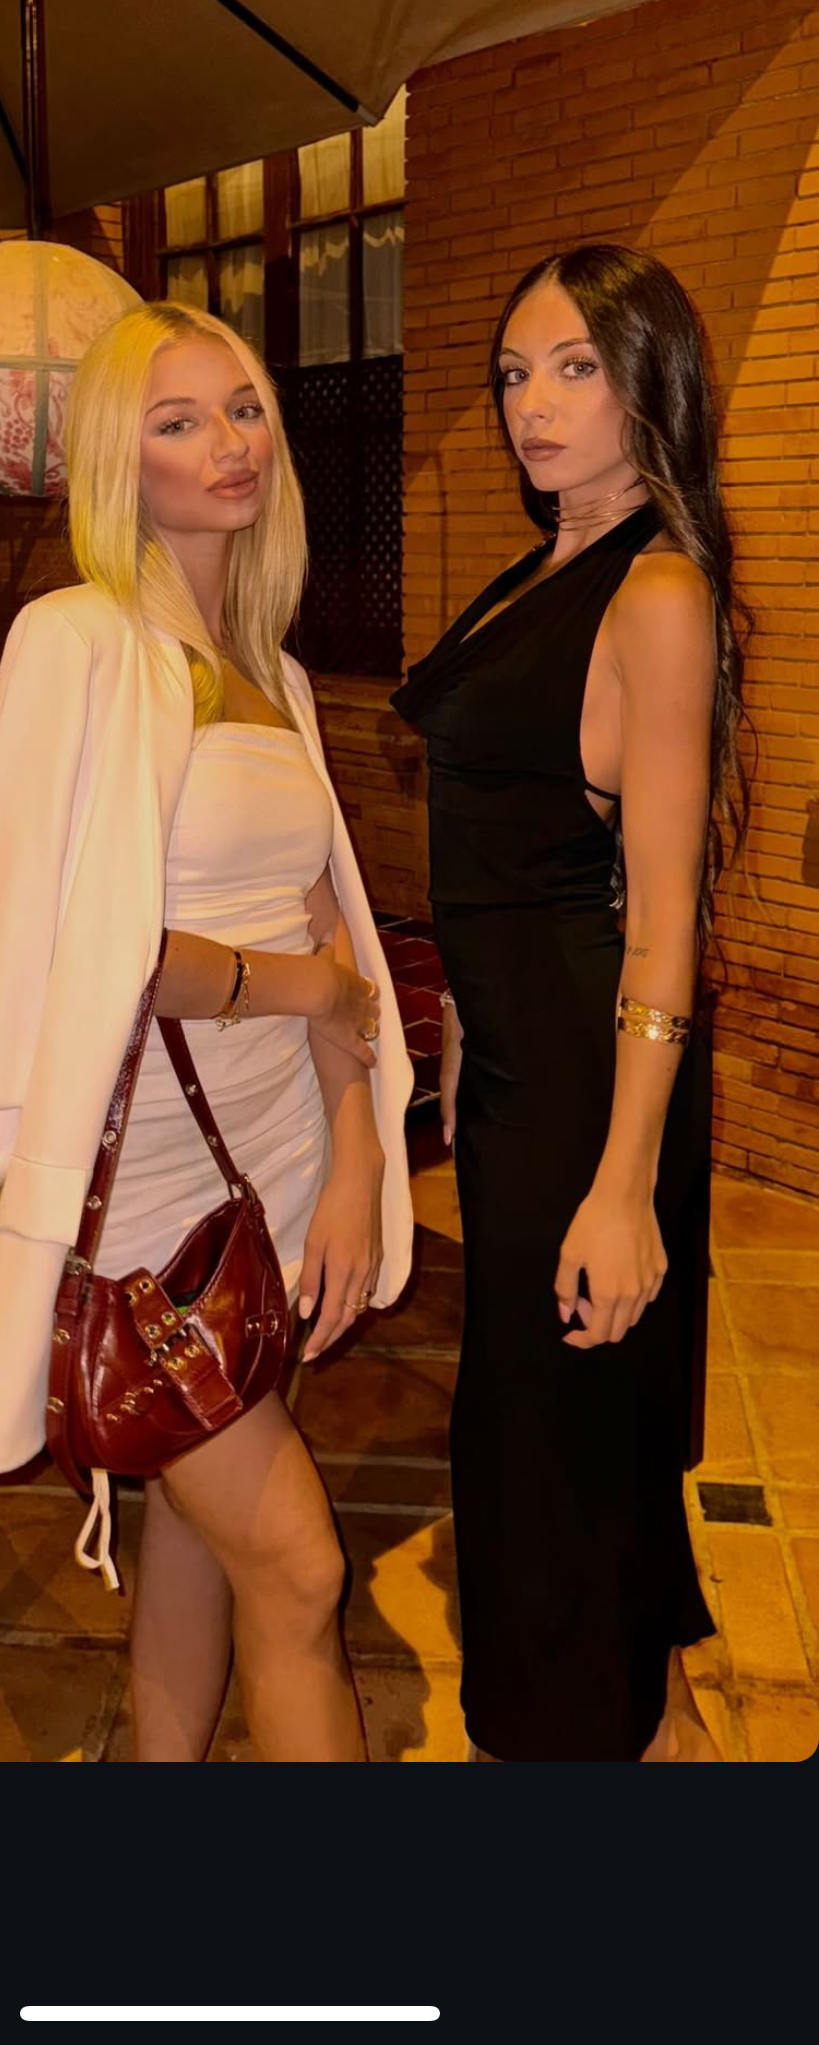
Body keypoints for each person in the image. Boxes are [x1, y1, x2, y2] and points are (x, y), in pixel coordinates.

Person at [0, 300, 414, 1763]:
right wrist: (309, 993)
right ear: (113, 460)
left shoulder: (276, 671)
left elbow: (333, 922)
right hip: (142, 1171)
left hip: (275, 1152)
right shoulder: (75, 641)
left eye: (244, 407)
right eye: (178, 420)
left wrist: (352, 1162)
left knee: (200, 1533)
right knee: (301, 1568)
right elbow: (89, 953)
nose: (229, 442)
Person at [392, 243, 749, 1764]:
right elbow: (515, 840)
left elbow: (665, 919)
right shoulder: (544, 563)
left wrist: (622, 1185)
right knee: (555, 1422)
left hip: (592, 1081)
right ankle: (643, 1719)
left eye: (574, 369)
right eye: (513, 375)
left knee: (547, 1436)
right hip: (517, 1064)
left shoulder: (654, 587)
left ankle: (579, 1737)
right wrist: (461, 1026)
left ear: (647, 379)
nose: (531, 406)